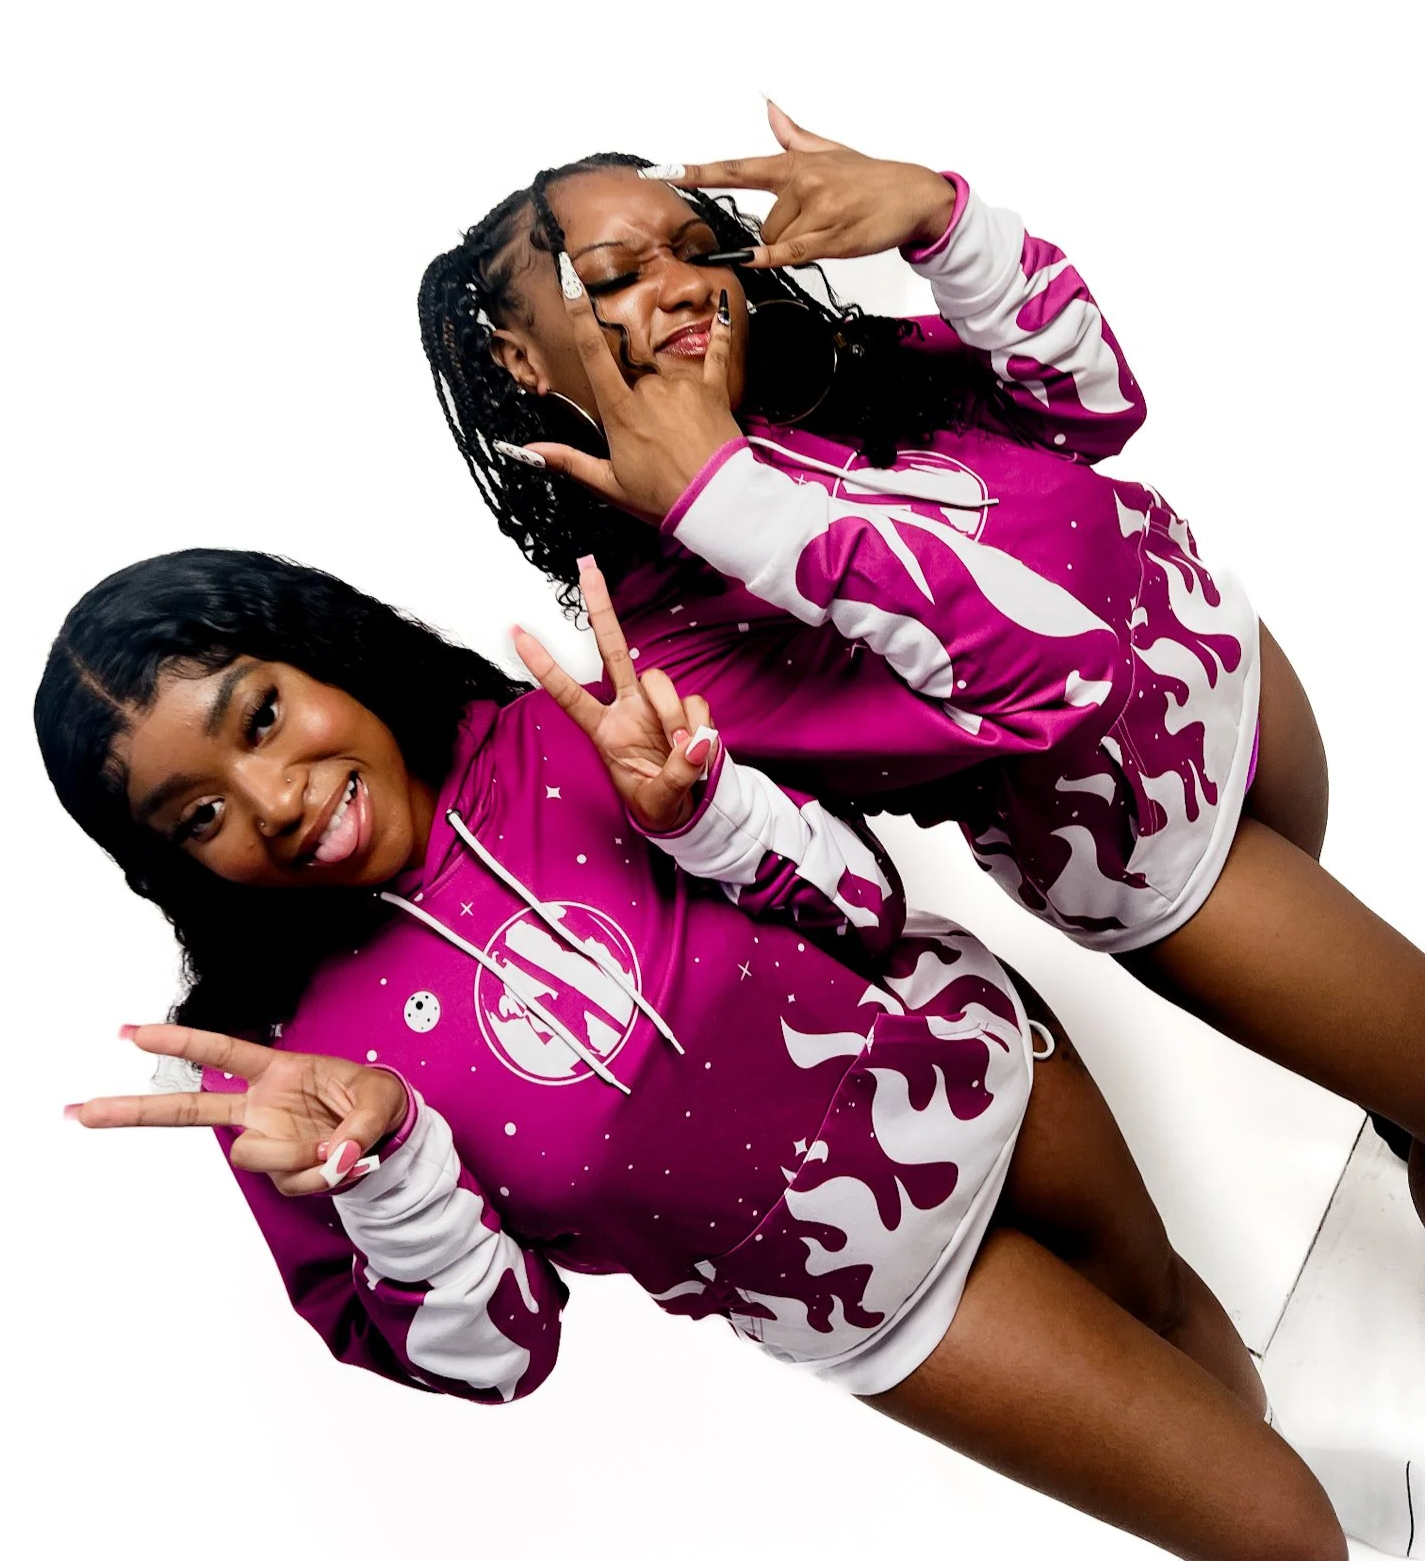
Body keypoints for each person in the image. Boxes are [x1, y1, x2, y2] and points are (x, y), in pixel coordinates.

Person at [41, 546, 1391, 1558]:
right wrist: (387, 1163)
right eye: (196, 812)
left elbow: (864, 902)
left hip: (1000, 1070)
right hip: (873, 1295)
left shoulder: (555, 730)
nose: (273, 803)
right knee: (1280, 1533)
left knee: (1169, 1324)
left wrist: (707, 807)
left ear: (319, 653)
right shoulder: (282, 1079)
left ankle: (1254, 1452)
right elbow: (500, 1353)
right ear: (168, 863)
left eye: (261, 716)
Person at [416, 104, 1425, 1211]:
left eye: (701, 250)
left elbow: (1096, 409)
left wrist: (948, 225)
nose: (690, 284)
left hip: (1238, 680)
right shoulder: (675, 646)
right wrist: (737, 508)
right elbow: (1060, 675)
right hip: (1159, 853)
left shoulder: (834, 382)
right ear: (519, 354)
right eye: (614, 274)